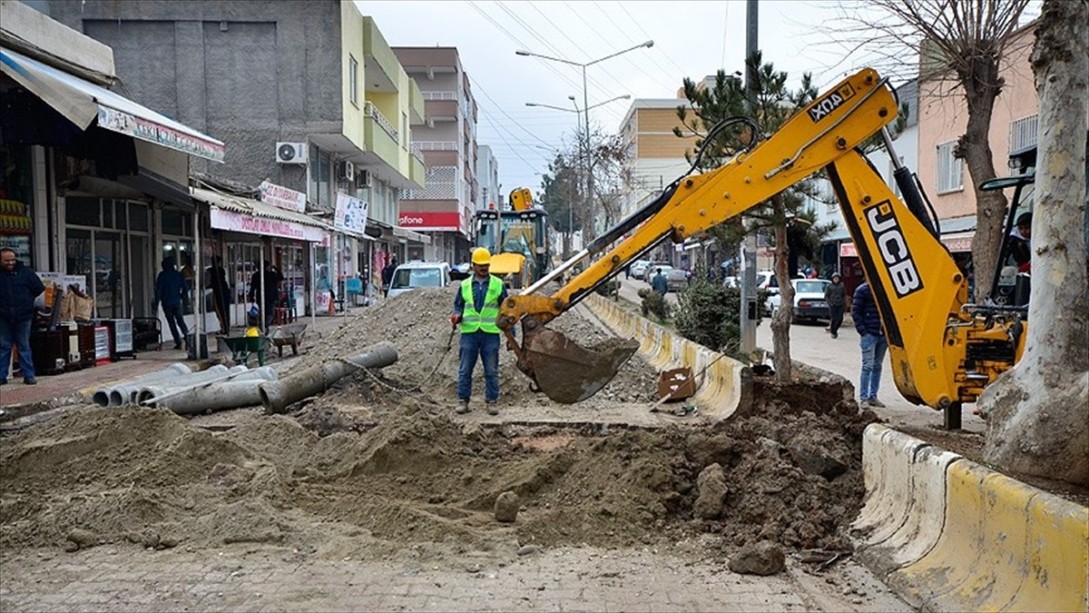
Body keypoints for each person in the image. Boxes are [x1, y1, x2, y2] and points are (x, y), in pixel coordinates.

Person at [451, 247, 507, 416]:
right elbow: (458, 305)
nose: (484, 268)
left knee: (491, 370)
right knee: (465, 369)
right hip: (469, 333)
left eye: (486, 265)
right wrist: (457, 315)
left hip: (490, 333)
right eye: (480, 265)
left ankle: (492, 401)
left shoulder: (498, 285)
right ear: (473, 266)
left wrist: (511, 333)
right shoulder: (465, 285)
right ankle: (463, 401)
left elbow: (507, 310)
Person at [0, 247, 45, 385]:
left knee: (24, 346)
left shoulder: (26, 273)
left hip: (23, 316)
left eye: (12, 259)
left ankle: (29, 375)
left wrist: (27, 301)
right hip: (3, 316)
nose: (10, 263)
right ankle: (1, 376)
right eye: (7, 260)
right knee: (4, 346)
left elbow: (39, 288)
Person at [853, 281, 887, 408]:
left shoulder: (885, 289)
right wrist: (863, 331)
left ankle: (873, 396)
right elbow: (855, 312)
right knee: (868, 366)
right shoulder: (863, 291)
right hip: (870, 334)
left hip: (882, 335)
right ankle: (864, 398)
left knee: (877, 366)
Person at [153, 257, 189, 350]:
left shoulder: (162, 275)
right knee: (180, 321)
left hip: (166, 303)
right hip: (177, 301)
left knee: (172, 323)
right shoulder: (178, 275)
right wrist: (182, 297)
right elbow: (185, 288)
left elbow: (158, 291)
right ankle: (188, 338)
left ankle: (178, 342)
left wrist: (156, 304)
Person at [248, 261, 281, 328]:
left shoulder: (256, 275)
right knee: (270, 313)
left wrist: (251, 296)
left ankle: (263, 324)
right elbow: (281, 277)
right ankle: (265, 325)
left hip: (260, 296)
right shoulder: (271, 274)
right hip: (270, 297)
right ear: (267, 266)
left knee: (263, 312)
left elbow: (252, 287)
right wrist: (276, 269)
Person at [206, 256, 232, 333]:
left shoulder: (210, 271)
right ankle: (226, 327)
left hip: (218, 292)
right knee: (226, 310)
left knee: (219, 310)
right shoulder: (221, 270)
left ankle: (224, 328)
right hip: (225, 291)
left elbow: (208, 283)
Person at [824, 272, 846, 338]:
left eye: (837, 278)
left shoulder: (842, 285)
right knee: (834, 319)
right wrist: (830, 303)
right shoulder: (829, 286)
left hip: (840, 304)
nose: (836, 280)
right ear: (832, 279)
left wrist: (843, 301)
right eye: (835, 278)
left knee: (840, 319)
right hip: (832, 304)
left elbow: (844, 294)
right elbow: (826, 296)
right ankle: (833, 332)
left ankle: (835, 329)